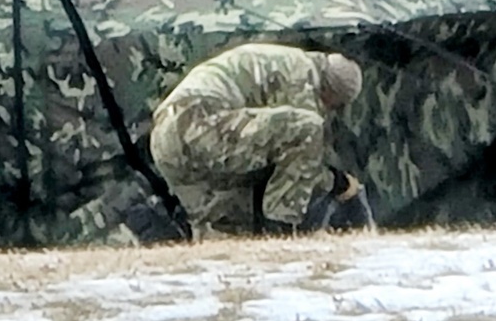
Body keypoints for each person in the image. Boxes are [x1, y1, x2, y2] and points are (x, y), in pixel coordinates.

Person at [149, 42, 371, 238]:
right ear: (331, 92)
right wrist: (338, 182)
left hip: (166, 138)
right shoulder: (303, 78)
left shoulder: (284, 60)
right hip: (200, 120)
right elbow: (303, 155)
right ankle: (279, 231)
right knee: (309, 128)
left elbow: (266, 145)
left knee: (226, 228)